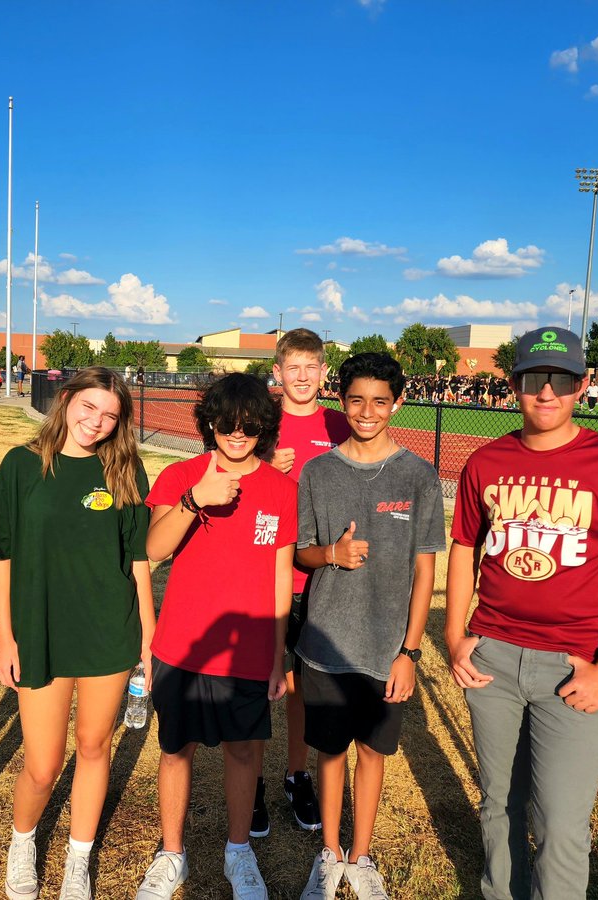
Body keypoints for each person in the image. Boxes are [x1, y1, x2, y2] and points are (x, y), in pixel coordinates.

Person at [445, 327, 598, 900]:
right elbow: (465, 545)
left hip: (573, 666)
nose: (546, 392)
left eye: (560, 379)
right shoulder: (486, 462)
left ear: (583, 385)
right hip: (492, 657)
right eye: (533, 378)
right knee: (499, 806)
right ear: (514, 384)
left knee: (563, 823)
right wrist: (453, 633)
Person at [0, 366, 155, 900]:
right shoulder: (20, 465)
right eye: (88, 407)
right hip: (42, 630)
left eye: (110, 415)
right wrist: (5, 638)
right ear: (67, 400)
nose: (97, 422)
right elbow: (1, 559)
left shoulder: (124, 469)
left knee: (95, 746)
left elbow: (138, 559)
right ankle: (23, 840)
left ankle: (78, 859)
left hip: (108, 630)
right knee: (43, 762)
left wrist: (149, 639)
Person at [134, 373, 295, 900]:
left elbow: (279, 578)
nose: (237, 433)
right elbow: (155, 548)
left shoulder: (280, 488)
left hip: (248, 650)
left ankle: (238, 850)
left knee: (244, 752)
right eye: (226, 423)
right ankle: (172, 852)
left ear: (264, 426)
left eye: (249, 425)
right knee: (176, 749)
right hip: (183, 641)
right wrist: (194, 498)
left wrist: (277, 655)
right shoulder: (182, 474)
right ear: (209, 423)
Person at [294, 353, 446, 900]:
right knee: (330, 752)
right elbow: (302, 553)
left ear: (397, 403)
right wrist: (331, 553)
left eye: (380, 401)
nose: (367, 411)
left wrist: (410, 651)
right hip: (326, 644)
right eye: (356, 399)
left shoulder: (418, 475)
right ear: (341, 401)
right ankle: (329, 854)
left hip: (387, 649)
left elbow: (425, 568)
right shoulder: (318, 471)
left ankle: (361, 856)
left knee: (373, 753)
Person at [255, 328, 350, 838]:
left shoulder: (338, 422)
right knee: (254, 679)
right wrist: (264, 467)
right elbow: (230, 476)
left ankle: (296, 774)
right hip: (267, 571)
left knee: (300, 683)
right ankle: (248, 782)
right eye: (293, 367)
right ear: (278, 372)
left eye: (311, 366)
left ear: (323, 371)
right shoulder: (261, 420)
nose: (302, 377)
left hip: (321, 573)